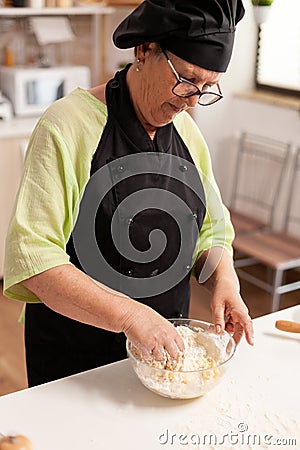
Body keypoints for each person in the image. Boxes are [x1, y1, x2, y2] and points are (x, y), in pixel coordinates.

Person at [4, 0, 254, 387]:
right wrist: (131, 316)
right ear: (143, 50)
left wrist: (224, 279)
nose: (191, 100)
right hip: (77, 361)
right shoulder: (66, 126)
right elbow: (35, 258)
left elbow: (212, 232)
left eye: (207, 88)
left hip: (167, 361)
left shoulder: (188, 134)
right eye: (186, 79)